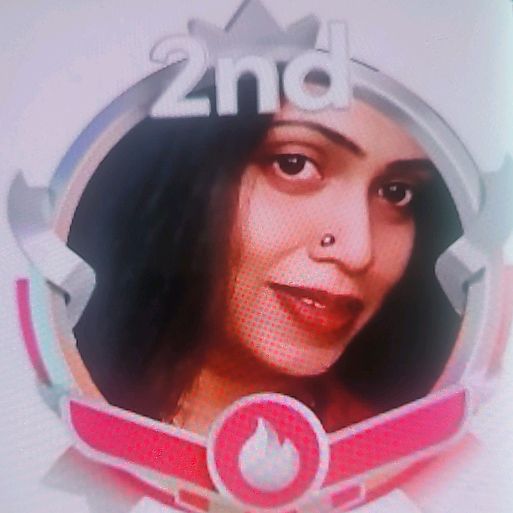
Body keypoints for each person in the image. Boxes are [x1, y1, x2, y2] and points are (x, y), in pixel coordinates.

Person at [70, 81, 462, 435]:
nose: (359, 251)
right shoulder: (57, 397)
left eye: (396, 192)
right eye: (294, 164)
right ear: (187, 177)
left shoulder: (398, 456)